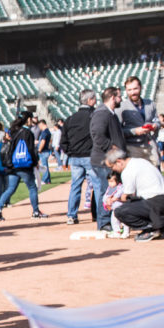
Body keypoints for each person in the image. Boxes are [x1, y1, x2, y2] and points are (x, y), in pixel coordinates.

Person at [0, 112, 46, 220]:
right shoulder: (27, 133)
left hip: (12, 165)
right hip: (24, 165)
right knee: (32, 187)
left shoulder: (13, 131)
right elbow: (31, 150)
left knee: (10, 189)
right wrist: (35, 162)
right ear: (28, 120)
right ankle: (36, 211)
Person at [105, 146, 164, 242]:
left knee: (120, 211)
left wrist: (114, 199)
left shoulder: (127, 171)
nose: (113, 170)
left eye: (112, 167)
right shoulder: (140, 161)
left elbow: (127, 196)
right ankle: (158, 226)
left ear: (119, 161)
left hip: (155, 201)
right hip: (159, 199)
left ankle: (153, 229)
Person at [90, 86, 128, 232]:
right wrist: (113, 151)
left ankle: (111, 221)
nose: (120, 99)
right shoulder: (102, 113)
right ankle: (104, 223)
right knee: (107, 191)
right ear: (112, 97)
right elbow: (97, 135)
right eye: (119, 96)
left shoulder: (109, 113)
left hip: (109, 159)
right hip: (104, 160)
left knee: (111, 190)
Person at [61, 89, 97, 225]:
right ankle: (99, 215)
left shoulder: (71, 118)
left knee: (75, 186)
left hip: (75, 157)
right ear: (90, 100)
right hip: (89, 156)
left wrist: (70, 152)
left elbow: (63, 141)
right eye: (94, 99)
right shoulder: (94, 116)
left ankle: (71, 215)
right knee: (97, 186)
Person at [117, 76, 159, 166]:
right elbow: (117, 131)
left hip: (151, 146)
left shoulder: (150, 103)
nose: (133, 92)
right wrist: (135, 131)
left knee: (156, 175)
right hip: (133, 149)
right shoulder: (121, 107)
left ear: (140, 87)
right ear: (126, 91)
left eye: (135, 89)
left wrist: (155, 125)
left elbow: (157, 121)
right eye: (129, 90)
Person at [101, 171, 128, 239]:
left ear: (118, 180)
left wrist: (113, 199)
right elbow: (105, 196)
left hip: (122, 208)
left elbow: (119, 194)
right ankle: (117, 232)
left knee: (124, 220)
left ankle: (126, 232)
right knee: (114, 220)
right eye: (109, 181)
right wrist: (106, 200)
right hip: (114, 209)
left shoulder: (120, 187)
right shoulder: (109, 188)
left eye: (112, 181)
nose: (110, 183)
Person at [36, 119, 52, 184]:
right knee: (45, 165)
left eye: (39, 125)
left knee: (44, 166)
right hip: (45, 150)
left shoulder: (44, 132)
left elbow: (43, 141)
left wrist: (39, 150)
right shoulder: (47, 131)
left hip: (43, 151)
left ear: (41, 124)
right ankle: (48, 180)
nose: (39, 127)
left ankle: (45, 180)